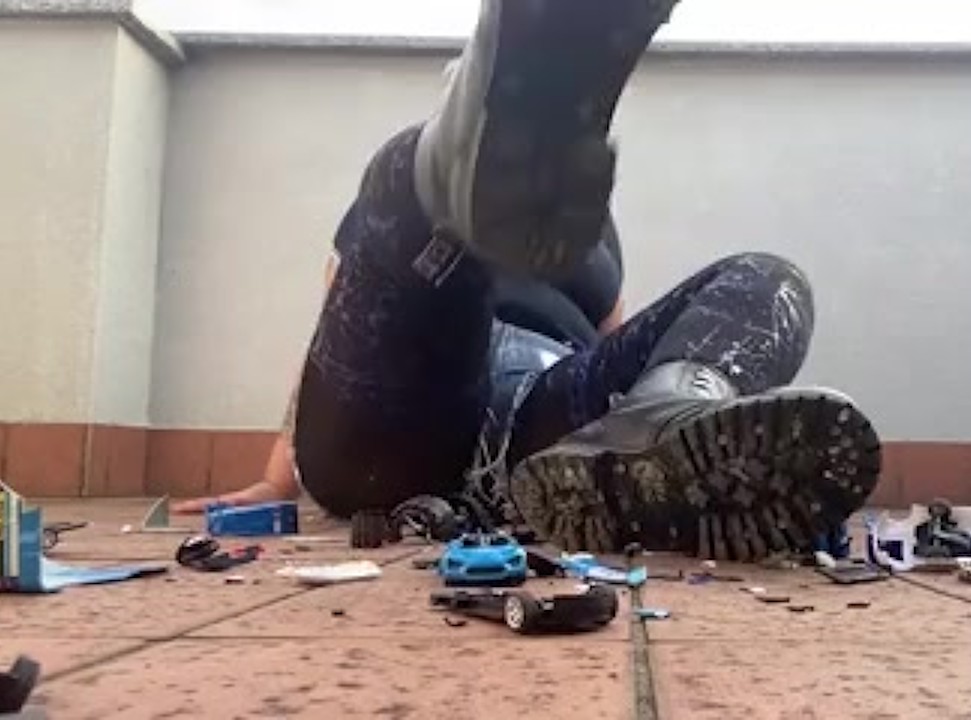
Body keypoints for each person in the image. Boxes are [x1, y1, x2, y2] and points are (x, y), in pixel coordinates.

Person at [176, 0, 883, 560]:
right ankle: (447, 177)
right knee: (400, 190)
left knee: (769, 281)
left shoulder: (593, 229)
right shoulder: (404, 224)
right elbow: (342, 330)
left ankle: (664, 432)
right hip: (411, 415)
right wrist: (277, 476)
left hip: (550, 429)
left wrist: (629, 405)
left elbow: (611, 343)